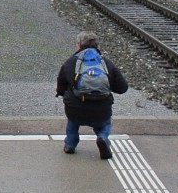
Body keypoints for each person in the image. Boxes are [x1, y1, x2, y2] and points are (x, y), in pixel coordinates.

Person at [55, 31, 129, 159]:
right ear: (98, 46)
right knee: (104, 124)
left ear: (78, 46)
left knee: (72, 121)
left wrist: (64, 94)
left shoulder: (71, 63)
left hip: (76, 109)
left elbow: (60, 88)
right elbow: (122, 88)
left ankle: (70, 144)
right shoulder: (106, 63)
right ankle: (102, 137)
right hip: (101, 110)